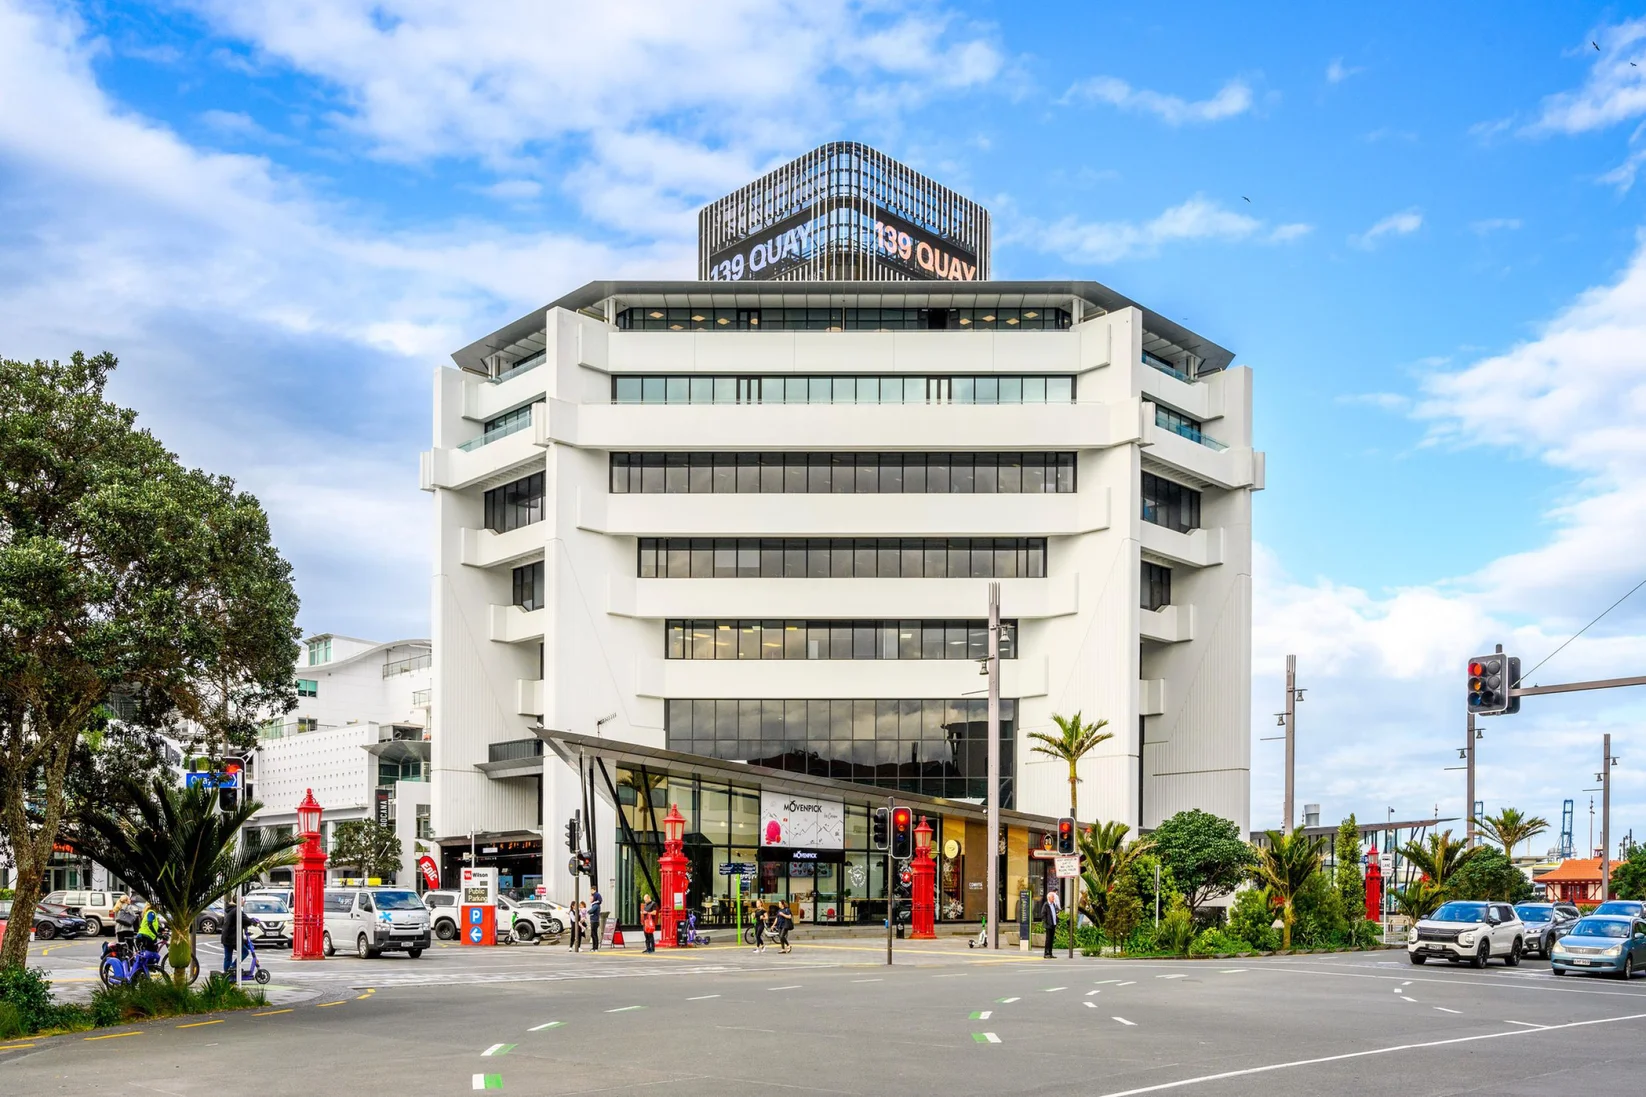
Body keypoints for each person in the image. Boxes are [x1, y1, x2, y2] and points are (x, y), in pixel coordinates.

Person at [219, 897, 260, 975]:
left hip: (226, 937)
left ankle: (227, 974)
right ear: (238, 901)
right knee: (244, 952)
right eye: (243, 900)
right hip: (233, 938)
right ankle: (232, 967)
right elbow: (246, 920)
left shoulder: (230, 910)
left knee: (228, 957)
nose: (244, 902)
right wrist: (253, 921)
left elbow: (240, 920)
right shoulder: (237, 911)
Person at [1039, 885, 1061, 959]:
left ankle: (1050, 953)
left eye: (1054, 897)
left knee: (1051, 939)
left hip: (1053, 924)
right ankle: (1046, 953)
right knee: (1048, 939)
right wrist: (1046, 922)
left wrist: (1057, 919)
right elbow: (1043, 914)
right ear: (1049, 898)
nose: (1053, 898)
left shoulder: (1054, 904)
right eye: (1052, 897)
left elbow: (1055, 913)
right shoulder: (1046, 905)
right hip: (1048, 924)